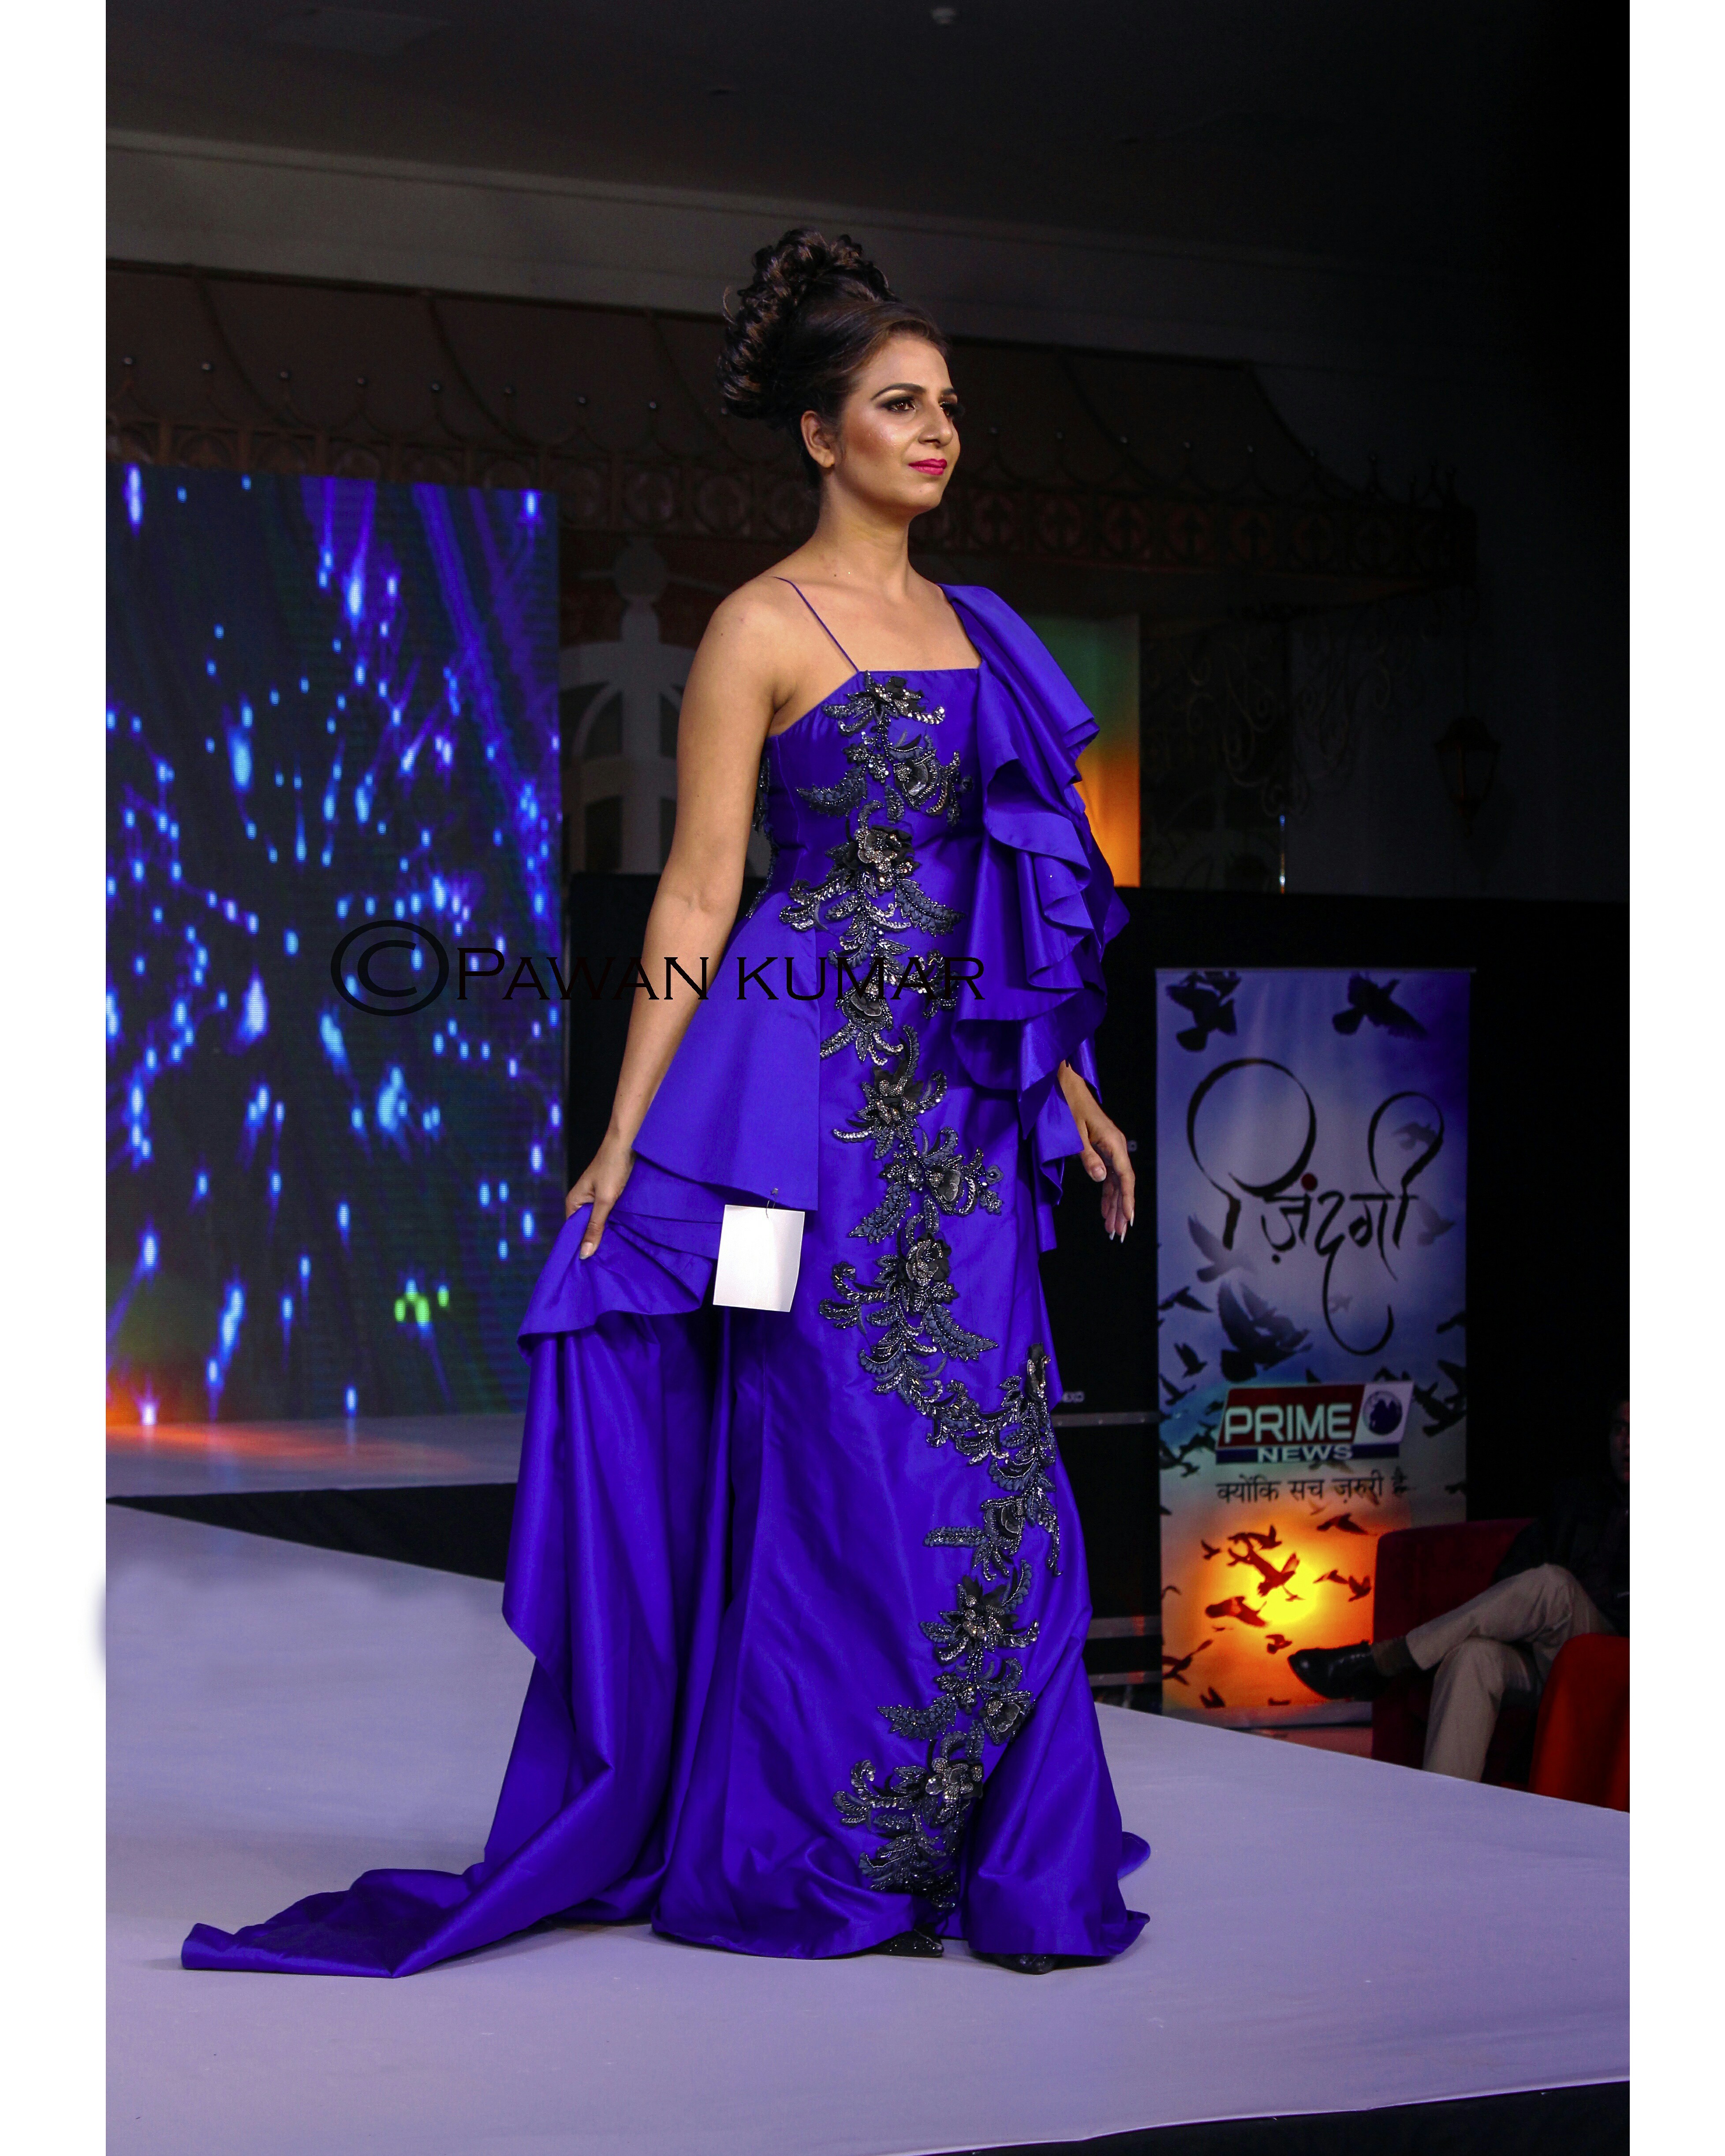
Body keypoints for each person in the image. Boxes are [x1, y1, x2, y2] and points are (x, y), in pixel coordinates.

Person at [184, 229, 1148, 1978]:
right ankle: (811, 1835)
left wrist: (1067, 1080)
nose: (937, 431)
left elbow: (1009, 896)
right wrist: (628, 1135)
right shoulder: (759, 625)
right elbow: (698, 894)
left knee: (991, 1456)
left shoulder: (986, 632)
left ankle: (978, 1841)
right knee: (821, 1443)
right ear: (820, 433)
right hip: (789, 1124)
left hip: (962, 1120)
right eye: (900, 404)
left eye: (947, 404)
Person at [1288, 1397, 1629, 1780]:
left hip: (1615, 1658)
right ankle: (1441, 1809)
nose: (1628, 1442)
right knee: (1471, 1658)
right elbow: (1514, 1574)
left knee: (1554, 1585)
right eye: (1620, 1429)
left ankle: (1388, 1659)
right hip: (1551, 1659)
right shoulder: (1576, 1498)